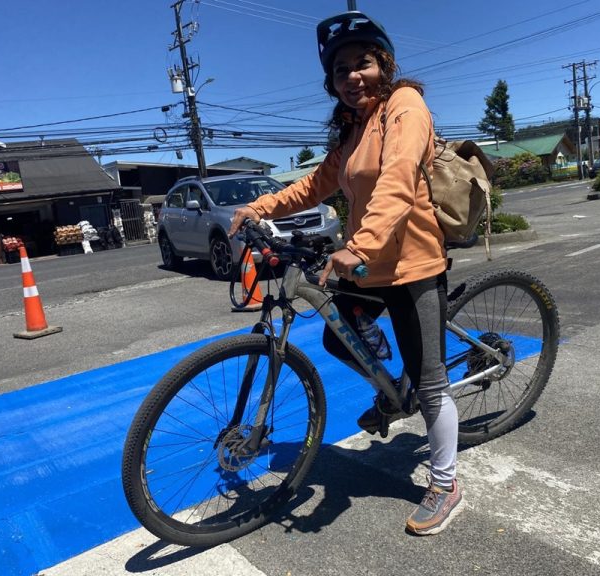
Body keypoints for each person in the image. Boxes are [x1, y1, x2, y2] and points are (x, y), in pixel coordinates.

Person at [228, 11, 462, 535]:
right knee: (339, 336)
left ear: (385, 65)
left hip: (412, 264)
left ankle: (446, 483)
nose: (353, 76)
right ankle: (390, 386)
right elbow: (315, 185)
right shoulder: (354, 128)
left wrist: (358, 245)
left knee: (431, 386)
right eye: (341, 70)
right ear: (332, 82)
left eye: (363, 64)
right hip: (368, 264)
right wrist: (260, 207)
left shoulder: (405, 106)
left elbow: (398, 179)